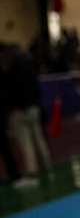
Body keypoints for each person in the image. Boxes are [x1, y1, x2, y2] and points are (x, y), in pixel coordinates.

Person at [0, 42, 52, 188]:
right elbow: (37, 88)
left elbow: (12, 92)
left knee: (26, 143)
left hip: (20, 111)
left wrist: (13, 108)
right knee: (38, 139)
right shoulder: (28, 67)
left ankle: (31, 174)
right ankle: (47, 168)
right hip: (33, 108)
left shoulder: (12, 71)